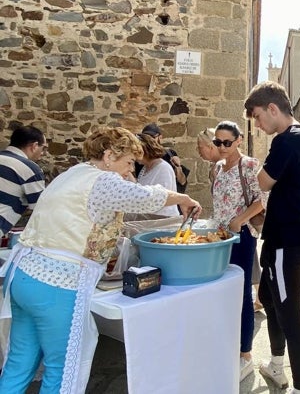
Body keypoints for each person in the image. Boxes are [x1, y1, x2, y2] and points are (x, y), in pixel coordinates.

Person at [0, 126, 201, 394]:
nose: (130, 170)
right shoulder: (103, 181)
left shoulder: (74, 173)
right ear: (109, 156)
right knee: (62, 369)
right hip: (55, 282)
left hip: (22, 274)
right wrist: (183, 197)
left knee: (19, 360)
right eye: (128, 162)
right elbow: (145, 198)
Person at [244, 80, 300, 394]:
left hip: (287, 242)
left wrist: (241, 161)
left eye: (259, 118)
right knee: (271, 302)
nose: (259, 126)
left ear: (273, 108)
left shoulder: (288, 140)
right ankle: (277, 365)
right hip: (284, 237)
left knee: (291, 315)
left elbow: (262, 181)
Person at [210, 120, 265, 382]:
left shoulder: (250, 165)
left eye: (227, 142)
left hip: (241, 236)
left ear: (239, 140)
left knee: (242, 294)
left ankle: (245, 354)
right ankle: (228, 345)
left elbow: (262, 199)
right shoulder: (218, 167)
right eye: (217, 142)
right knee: (223, 291)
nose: (222, 147)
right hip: (220, 237)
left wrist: (240, 219)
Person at [0, 126, 47, 236]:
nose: (43, 153)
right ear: (34, 146)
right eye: (43, 148)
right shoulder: (30, 170)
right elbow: (39, 210)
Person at [136, 133, 179, 217]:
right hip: (149, 218)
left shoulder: (163, 168)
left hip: (163, 219)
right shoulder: (144, 169)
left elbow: (163, 197)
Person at [140, 122, 190, 193]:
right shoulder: (141, 158)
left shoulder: (169, 154)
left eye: (152, 137)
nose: (149, 141)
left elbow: (182, 181)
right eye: (146, 138)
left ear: (160, 137)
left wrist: (177, 167)